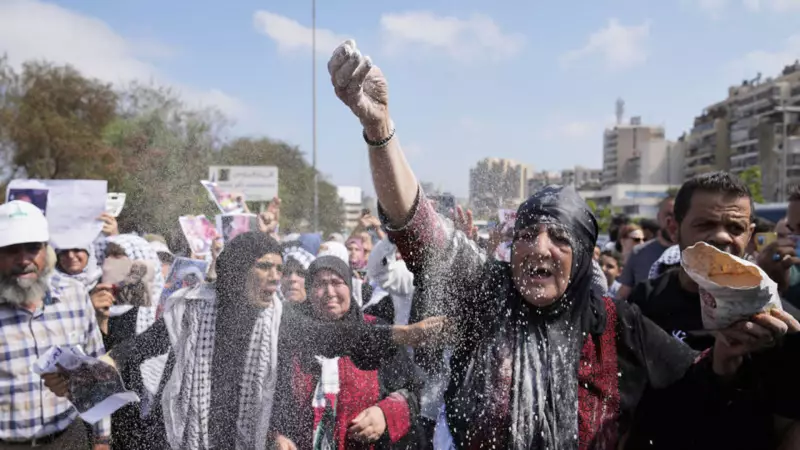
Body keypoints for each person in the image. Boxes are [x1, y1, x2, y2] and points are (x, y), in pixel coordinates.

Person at [327, 39, 800, 449]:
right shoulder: (488, 294)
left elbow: (692, 390)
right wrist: (379, 129)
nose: (539, 247)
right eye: (527, 234)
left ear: (583, 259)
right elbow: (417, 225)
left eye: (559, 237)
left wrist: (727, 354)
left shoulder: (616, 325)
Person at [43, 232, 440, 449]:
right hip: (186, 437)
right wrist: (84, 375)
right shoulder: (190, 309)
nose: (276, 277)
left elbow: (333, 337)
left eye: (279, 268)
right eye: (264, 266)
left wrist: (403, 334)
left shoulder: (279, 319)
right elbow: (137, 349)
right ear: (237, 269)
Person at [628, 171, 800, 449]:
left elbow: (790, 424)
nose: (721, 236)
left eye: (735, 228)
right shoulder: (643, 302)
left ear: (750, 234)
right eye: (705, 224)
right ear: (674, 229)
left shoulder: (781, 323)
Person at [272, 256, 422, 449]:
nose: (329, 292)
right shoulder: (290, 335)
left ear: (350, 288)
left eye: (337, 283)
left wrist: (384, 414)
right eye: (320, 284)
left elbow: (413, 392)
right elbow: (265, 399)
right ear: (308, 291)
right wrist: (275, 437)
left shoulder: (375, 332)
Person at [0, 201, 110, 449]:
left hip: (68, 439)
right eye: (11, 249)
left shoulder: (74, 295)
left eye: (32, 248)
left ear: (46, 249)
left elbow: (97, 368)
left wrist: (102, 438)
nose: (23, 259)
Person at [616, 197, 675, 300]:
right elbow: (622, 295)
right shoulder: (639, 253)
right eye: (668, 215)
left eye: (677, 215)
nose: (672, 221)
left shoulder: (694, 253)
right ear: (658, 217)